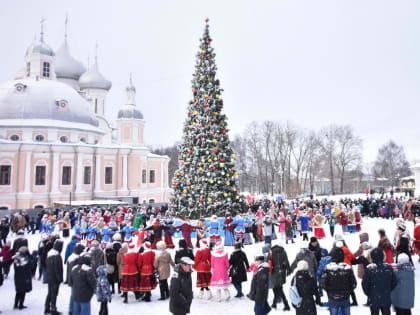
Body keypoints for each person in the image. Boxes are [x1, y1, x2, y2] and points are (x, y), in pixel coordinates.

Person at [322, 247, 357, 315]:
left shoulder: (328, 268)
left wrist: (330, 292)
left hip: (333, 298)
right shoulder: (347, 268)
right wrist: (347, 291)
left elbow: (323, 283)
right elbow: (353, 283)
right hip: (345, 297)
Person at [362, 247, 397, 315]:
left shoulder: (370, 269)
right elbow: (394, 282)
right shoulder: (388, 268)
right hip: (385, 297)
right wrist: (388, 290)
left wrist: (369, 293)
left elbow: (365, 284)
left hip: (374, 298)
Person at [45, 239, 64, 315]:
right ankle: (53, 308)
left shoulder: (50, 254)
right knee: (54, 293)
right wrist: (59, 278)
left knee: (50, 293)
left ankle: (47, 307)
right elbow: (57, 268)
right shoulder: (56, 255)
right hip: (55, 278)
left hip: (50, 276)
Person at [269, 242, 291, 310]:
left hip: (274, 272)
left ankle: (285, 305)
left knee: (278, 288)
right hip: (282, 272)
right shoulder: (283, 251)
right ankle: (275, 304)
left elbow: (268, 261)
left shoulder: (271, 252)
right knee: (278, 288)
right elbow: (286, 261)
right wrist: (288, 270)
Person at [66, 243, 85, 314]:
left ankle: (71, 309)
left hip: (71, 279)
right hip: (75, 280)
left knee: (73, 295)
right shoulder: (76, 259)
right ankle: (74, 310)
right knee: (75, 296)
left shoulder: (71, 257)